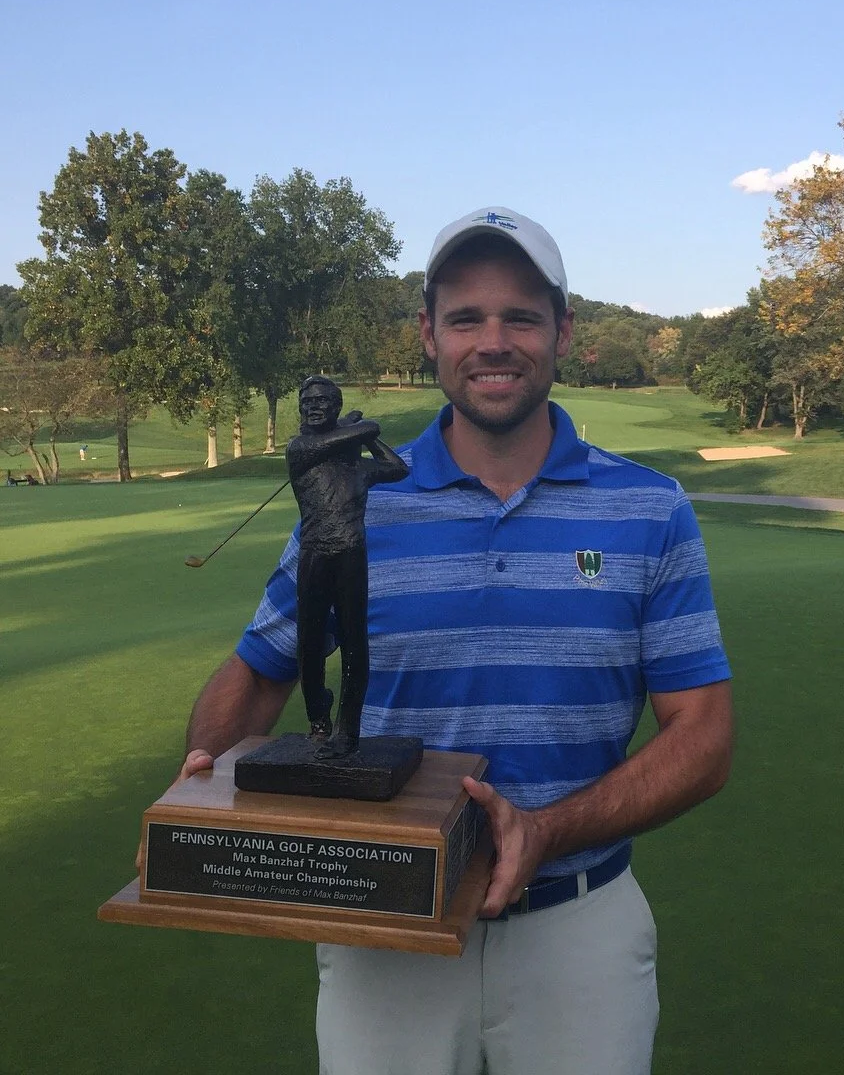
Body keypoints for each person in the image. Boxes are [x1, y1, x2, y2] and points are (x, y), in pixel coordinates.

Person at [171, 206, 735, 1074]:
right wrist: (198, 785)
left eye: (521, 316)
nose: (494, 340)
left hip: (577, 925)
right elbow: (259, 675)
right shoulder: (357, 502)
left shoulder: (650, 508)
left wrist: (547, 829)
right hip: (381, 919)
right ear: (429, 335)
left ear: (565, 332)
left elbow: (702, 738)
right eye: (466, 318)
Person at [285, 378, 408, 756]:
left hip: (351, 555)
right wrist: (358, 429)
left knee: (355, 643)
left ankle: (347, 730)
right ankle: (318, 718)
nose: (314, 407)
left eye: (323, 401)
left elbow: (397, 467)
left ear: (336, 407)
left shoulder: (356, 467)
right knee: (310, 641)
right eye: (307, 402)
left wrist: (361, 440)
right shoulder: (300, 449)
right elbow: (369, 427)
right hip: (315, 554)